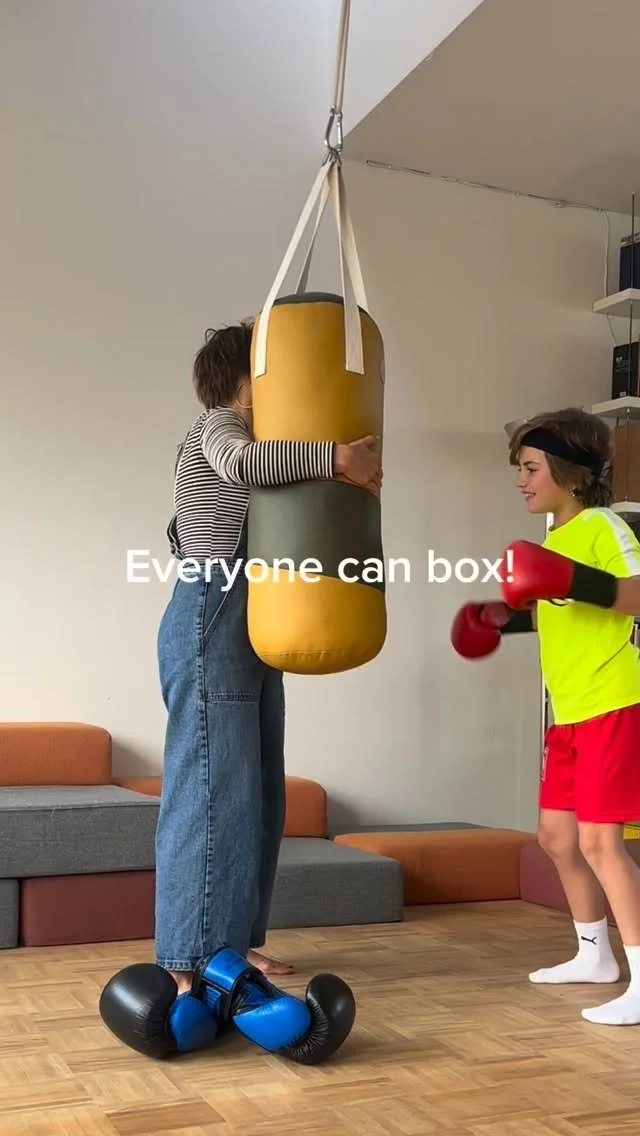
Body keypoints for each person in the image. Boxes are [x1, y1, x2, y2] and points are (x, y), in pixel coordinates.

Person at [154, 318, 382, 994]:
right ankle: (188, 957)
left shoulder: (260, 438)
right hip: (213, 610)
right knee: (210, 788)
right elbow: (241, 465)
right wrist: (337, 459)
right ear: (242, 380)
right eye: (269, 370)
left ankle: (233, 943)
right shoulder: (219, 425)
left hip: (254, 614)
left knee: (255, 791)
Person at [451, 405, 640, 1025]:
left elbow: (634, 595)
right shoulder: (554, 542)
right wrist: (501, 620)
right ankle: (595, 955)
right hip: (569, 711)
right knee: (557, 838)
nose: (520, 481)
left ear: (571, 472)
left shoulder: (603, 526)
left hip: (612, 701)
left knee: (601, 842)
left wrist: (569, 580)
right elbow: (563, 612)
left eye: (531, 468)